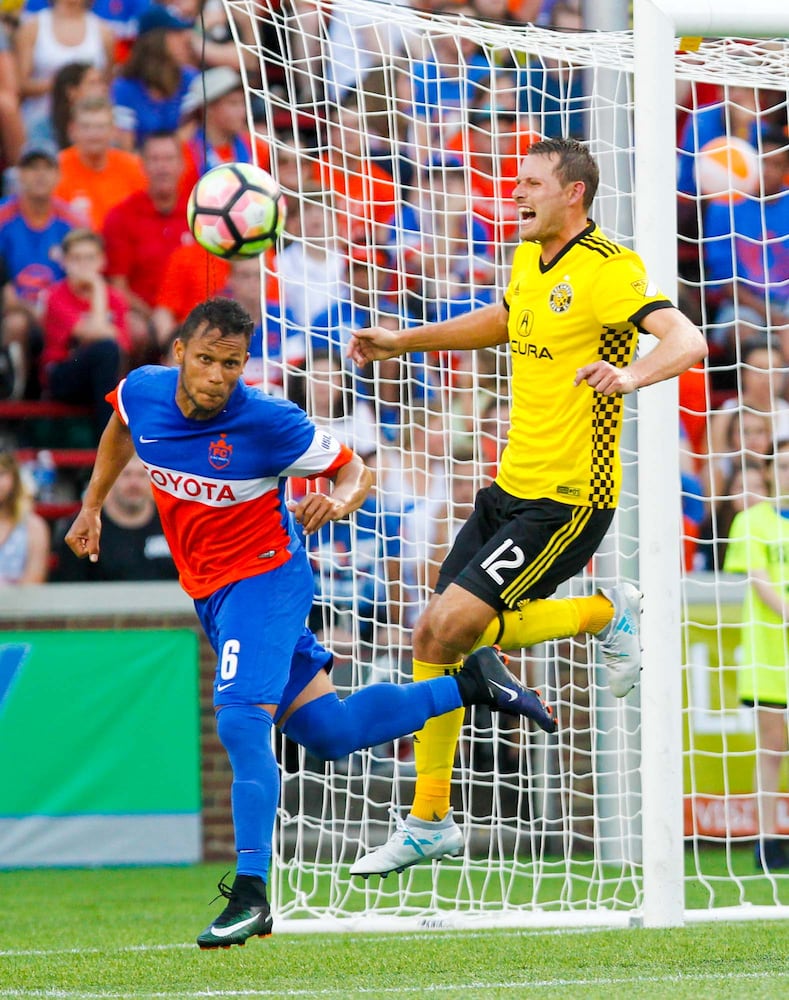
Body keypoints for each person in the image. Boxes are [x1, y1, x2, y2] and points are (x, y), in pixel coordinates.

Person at [63, 295, 556, 948]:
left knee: (241, 719)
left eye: (231, 365)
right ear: (179, 353)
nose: (216, 376)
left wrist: (342, 500)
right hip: (211, 591)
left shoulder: (269, 421)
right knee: (329, 731)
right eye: (206, 360)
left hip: (265, 578)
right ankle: (472, 685)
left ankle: (250, 893)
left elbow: (357, 469)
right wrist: (92, 505)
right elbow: (120, 427)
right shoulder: (143, 392)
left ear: (245, 366)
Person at [347, 136, 708, 876]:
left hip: (569, 498)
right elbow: (506, 320)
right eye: (515, 181)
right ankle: (428, 822)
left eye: (531, 183)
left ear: (572, 193)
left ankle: (606, 612)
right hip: (509, 485)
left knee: (454, 624)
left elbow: (688, 340)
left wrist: (629, 377)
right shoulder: (525, 258)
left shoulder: (608, 269)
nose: (515, 193)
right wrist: (400, 343)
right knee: (431, 638)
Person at [724, 438, 789, 871]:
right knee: (773, 746)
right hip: (769, 652)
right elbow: (759, 580)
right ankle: (766, 841)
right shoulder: (751, 522)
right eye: (781, 465)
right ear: (767, 472)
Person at [102, 130, 191, 364]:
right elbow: (118, 286)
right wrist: (154, 317)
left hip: (191, 312)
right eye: (155, 160)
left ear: (182, 164)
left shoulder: (199, 214)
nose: (163, 168)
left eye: (169, 159)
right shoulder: (122, 216)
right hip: (141, 314)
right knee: (134, 329)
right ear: (142, 165)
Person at [0, 142, 80, 399]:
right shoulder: (3, 218)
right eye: (32, 167)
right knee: (16, 324)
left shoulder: (72, 222)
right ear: (19, 174)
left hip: (61, 312)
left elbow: (81, 280)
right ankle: (13, 403)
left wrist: (53, 310)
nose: (40, 174)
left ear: (58, 175)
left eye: (47, 168)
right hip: (13, 312)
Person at [39, 228, 130, 440]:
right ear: (64, 263)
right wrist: (98, 286)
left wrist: (97, 291)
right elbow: (96, 334)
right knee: (105, 349)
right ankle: (106, 444)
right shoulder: (56, 296)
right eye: (76, 258)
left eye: (90, 258)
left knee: (110, 356)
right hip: (62, 376)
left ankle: (109, 445)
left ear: (102, 261)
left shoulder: (116, 298)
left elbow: (124, 346)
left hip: (100, 377)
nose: (83, 265)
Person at [53, 455, 176, 581]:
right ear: (110, 479)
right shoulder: (85, 528)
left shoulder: (174, 524)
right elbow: (71, 587)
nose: (134, 483)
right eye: (126, 474)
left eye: (142, 475)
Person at [54, 95, 147, 231]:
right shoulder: (56, 169)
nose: (94, 135)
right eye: (86, 127)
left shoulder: (134, 167)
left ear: (113, 131)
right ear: (72, 131)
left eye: (100, 127)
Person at [0, 449, 50, 585]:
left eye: (1, 473)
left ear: (14, 478)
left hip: (19, 605)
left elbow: (34, 581)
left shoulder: (34, 527)